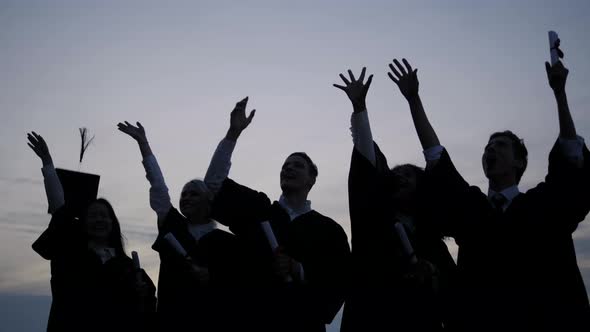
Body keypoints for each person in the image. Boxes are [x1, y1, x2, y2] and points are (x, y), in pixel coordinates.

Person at [390, 57, 590, 331]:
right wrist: (414, 100)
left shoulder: (542, 206)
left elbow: (571, 157)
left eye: (500, 145)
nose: (490, 150)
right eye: (488, 146)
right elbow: (436, 157)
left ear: (519, 162)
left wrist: (560, 94)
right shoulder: (473, 210)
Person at [204, 97, 351, 332]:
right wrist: (232, 134)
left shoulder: (330, 230)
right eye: (285, 165)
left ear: (312, 179)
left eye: (298, 165)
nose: (289, 168)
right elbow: (212, 186)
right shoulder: (259, 210)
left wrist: (298, 270)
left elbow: (339, 282)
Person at [334, 68, 456, 331]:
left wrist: (432, 275)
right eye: (396, 174)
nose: (400, 177)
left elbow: (455, 301)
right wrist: (359, 108)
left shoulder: (433, 246)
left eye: (408, 175)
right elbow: (366, 156)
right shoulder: (373, 225)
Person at [118, 121, 245, 332]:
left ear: (209, 201)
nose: (186, 198)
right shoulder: (172, 226)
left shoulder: (227, 242)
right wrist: (143, 144)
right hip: (171, 320)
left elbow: (238, 286)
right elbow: (158, 185)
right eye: (183, 194)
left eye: (193, 193)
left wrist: (212, 277)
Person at [28, 131, 156, 332]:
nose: (99, 220)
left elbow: (145, 308)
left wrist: (143, 294)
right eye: (94, 215)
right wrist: (47, 163)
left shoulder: (127, 266)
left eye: (104, 216)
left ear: (113, 223)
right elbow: (59, 209)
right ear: (84, 223)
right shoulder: (71, 255)